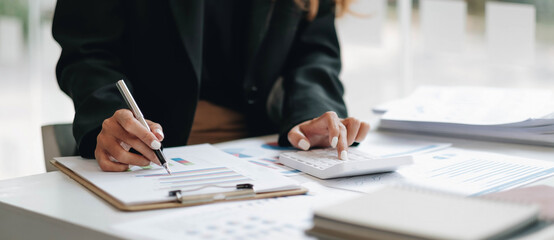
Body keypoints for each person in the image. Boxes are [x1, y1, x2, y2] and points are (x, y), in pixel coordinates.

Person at [53, 0, 370, 172]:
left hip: (266, 157)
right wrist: (108, 115)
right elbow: (87, 51)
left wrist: (311, 113)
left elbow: (315, 54)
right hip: (151, 155)